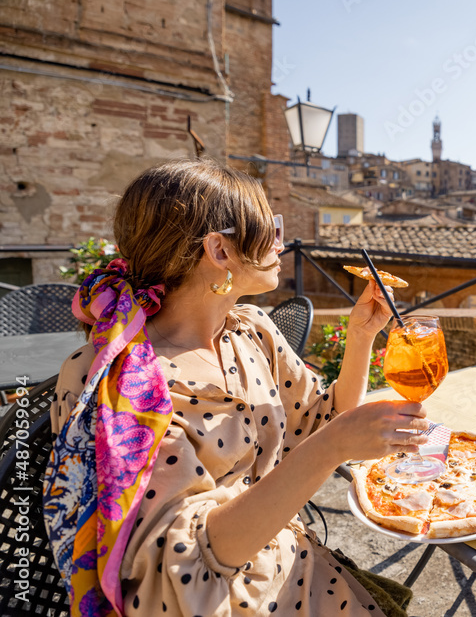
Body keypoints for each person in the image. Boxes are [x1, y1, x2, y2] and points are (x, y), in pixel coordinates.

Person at [43, 159, 428, 617]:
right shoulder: (121, 382)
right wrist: (331, 449)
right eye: (270, 228)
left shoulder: (251, 331)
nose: (280, 242)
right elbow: (179, 570)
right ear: (220, 251)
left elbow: (322, 421)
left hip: (295, 566)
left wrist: (361, 335)